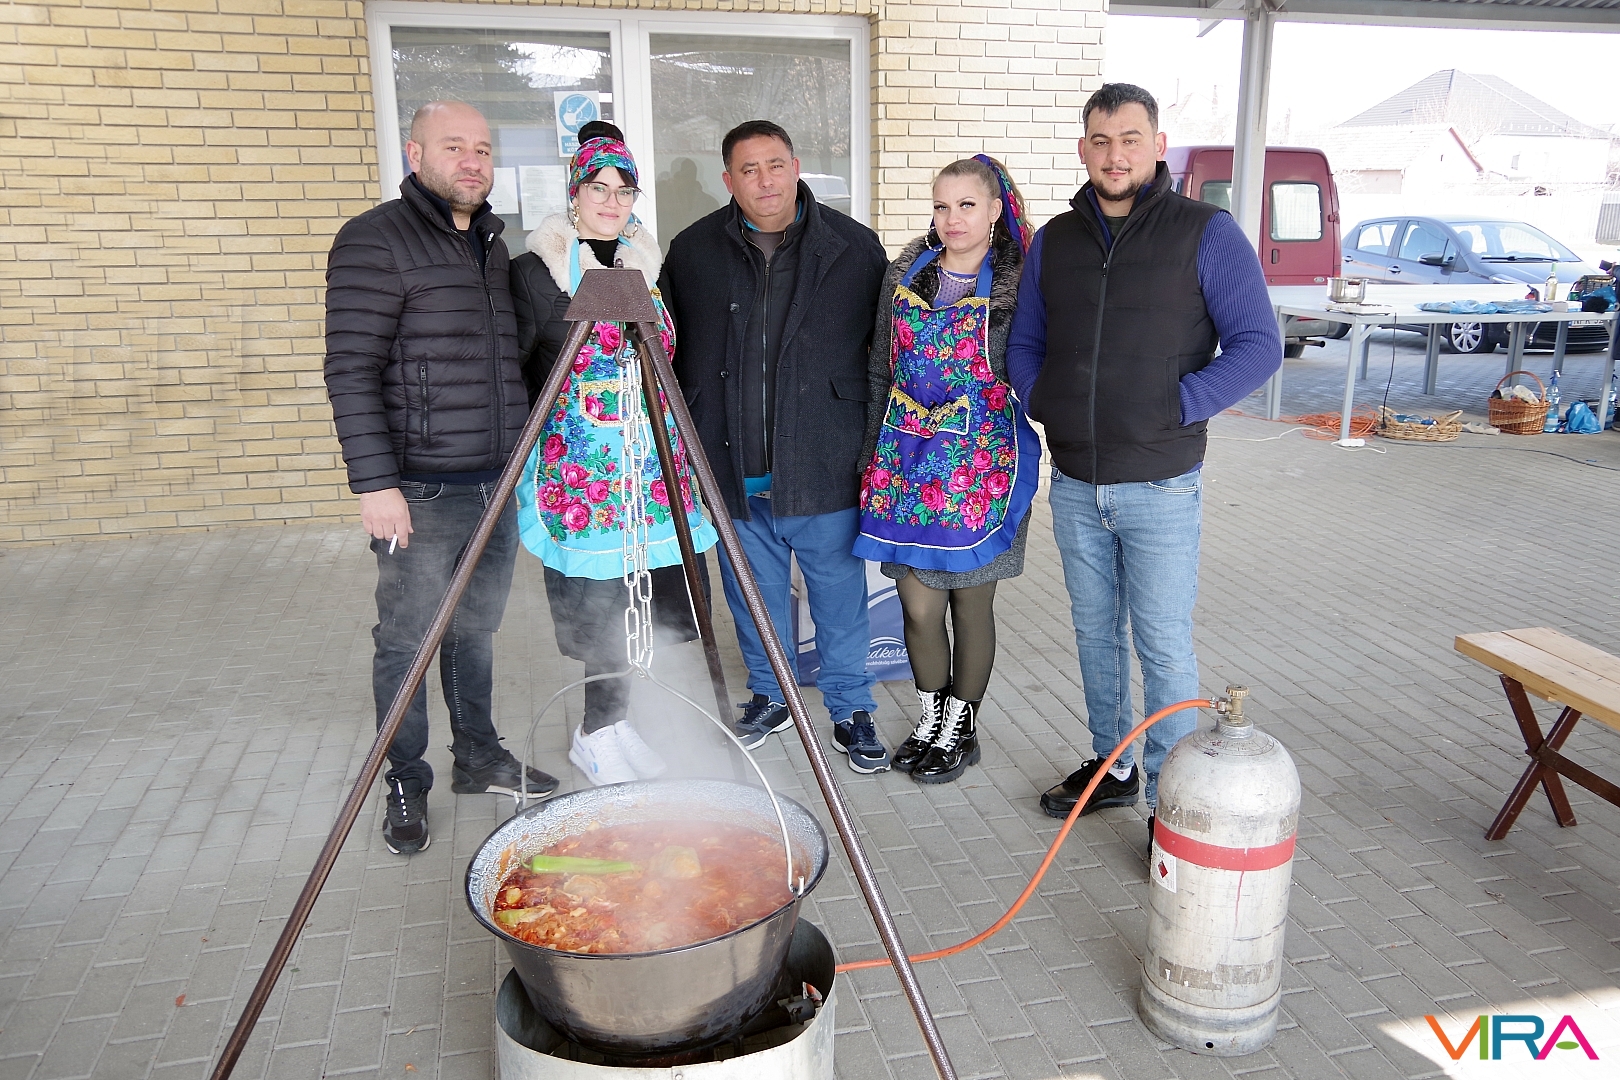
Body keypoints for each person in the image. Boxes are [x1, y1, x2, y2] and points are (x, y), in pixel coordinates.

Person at [1007, 84, 1281, 834]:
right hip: (1075, 481)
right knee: (1095, 637)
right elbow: (1025, 342)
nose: (1114, 155)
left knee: (1161, 644)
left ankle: (1173, 801)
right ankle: (1114, 765)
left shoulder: (1205, 232)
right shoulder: (1056, 241)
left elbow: (1259, 345)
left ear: (1157, 145)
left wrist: (1177, 404)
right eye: (1100, 141)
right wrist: (1048, 399)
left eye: (1130, 139)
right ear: (1083, 149)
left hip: (1161, 484)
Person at [324, 100, 558, 857]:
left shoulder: (489, 244)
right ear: (414, 152)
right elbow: (350, 368)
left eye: (483, 149)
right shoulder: (375, 239)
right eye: (454, 146)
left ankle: (478, 757)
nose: (472, 162)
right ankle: (404, 778)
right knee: (407, 641)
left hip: (495, 482)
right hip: (420, 489)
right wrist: (376, 484)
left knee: (475, 629)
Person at [659, 121, 892, 772]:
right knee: (752, 597)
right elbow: (669, 351)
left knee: (838, 599)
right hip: (731, 463)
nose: (764, 180)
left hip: (822, 460)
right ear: (727, 180)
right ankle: (772, 695)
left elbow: (884, 355)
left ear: (796, 167)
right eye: (748, 169)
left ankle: (850, 707)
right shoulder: (693, 251)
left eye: (775, 165)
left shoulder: (855, 247)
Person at [509, 129, 719, 786]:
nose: (611, 200)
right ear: (574, 193)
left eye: (624, 190)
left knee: (641, 603)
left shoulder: (645, 267)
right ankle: (595, 733)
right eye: (598, 187)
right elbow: (516, 370)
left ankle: (616, 720)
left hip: (649, 472)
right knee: (599, 606)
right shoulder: (536, 272)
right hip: (582, 476)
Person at [853, 156, 1039, 785]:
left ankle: (960, 728)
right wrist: (869, 454)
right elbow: (880, 364)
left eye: (966, 205)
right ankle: (931, 717)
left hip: (982, 463)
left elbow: (1035, 364)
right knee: (918, 607)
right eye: (941, 205)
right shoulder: (908, 272)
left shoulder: (1019, 281)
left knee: (970, 603)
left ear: (995, 210)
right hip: (905, 458)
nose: (951, 218)